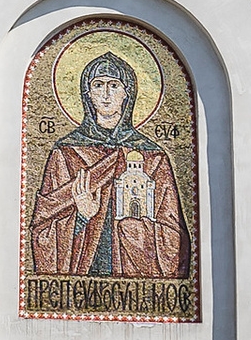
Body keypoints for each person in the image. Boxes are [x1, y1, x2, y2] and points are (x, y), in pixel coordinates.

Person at [30, 48, 187, 281]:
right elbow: (42, 232)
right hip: (81, 281)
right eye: (98, 85)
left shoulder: (153, 158)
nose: (105, 94)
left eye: (114, 85)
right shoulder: (65, 153)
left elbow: (174, 239)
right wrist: (82, 217)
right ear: (87, 94)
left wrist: (133, 228)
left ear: (127, 93)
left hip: (134, 286)